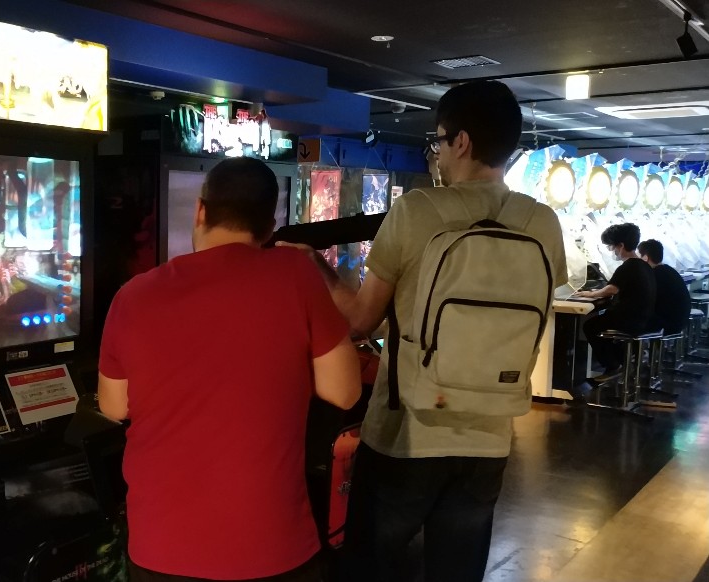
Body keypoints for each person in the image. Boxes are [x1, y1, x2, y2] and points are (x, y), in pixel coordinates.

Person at [284, 80, 568, 582]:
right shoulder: (542, 223)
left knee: (370, 568)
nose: (437, 153)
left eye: (437, 140)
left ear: (461, 142)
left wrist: (316, 267)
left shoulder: (417, 211)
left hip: (407, 436)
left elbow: (360, 321)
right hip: (489, 437)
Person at [97, 157, 362, 582]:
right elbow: (344, 391)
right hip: (271, 548)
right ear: (270, 226)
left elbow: (113, 407)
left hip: (161, 548)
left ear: (200, 210)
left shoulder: (132, 296)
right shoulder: (296, 274)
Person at [574, 223, 656, 380]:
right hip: (643, 319)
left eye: (611, 246)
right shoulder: (643, 266)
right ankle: (621, 361)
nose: (612, 250)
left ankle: (613, 365)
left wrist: (591, 294)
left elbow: (611, 289)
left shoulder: (628, 266)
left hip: (628, 320)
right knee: (600, 322)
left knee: (590, 326)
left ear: (621, 246)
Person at [637, 238, 691, 334]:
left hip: (668, 324)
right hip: (679, 321)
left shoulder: (654, 275)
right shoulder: (669, 270)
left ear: (645, 258)